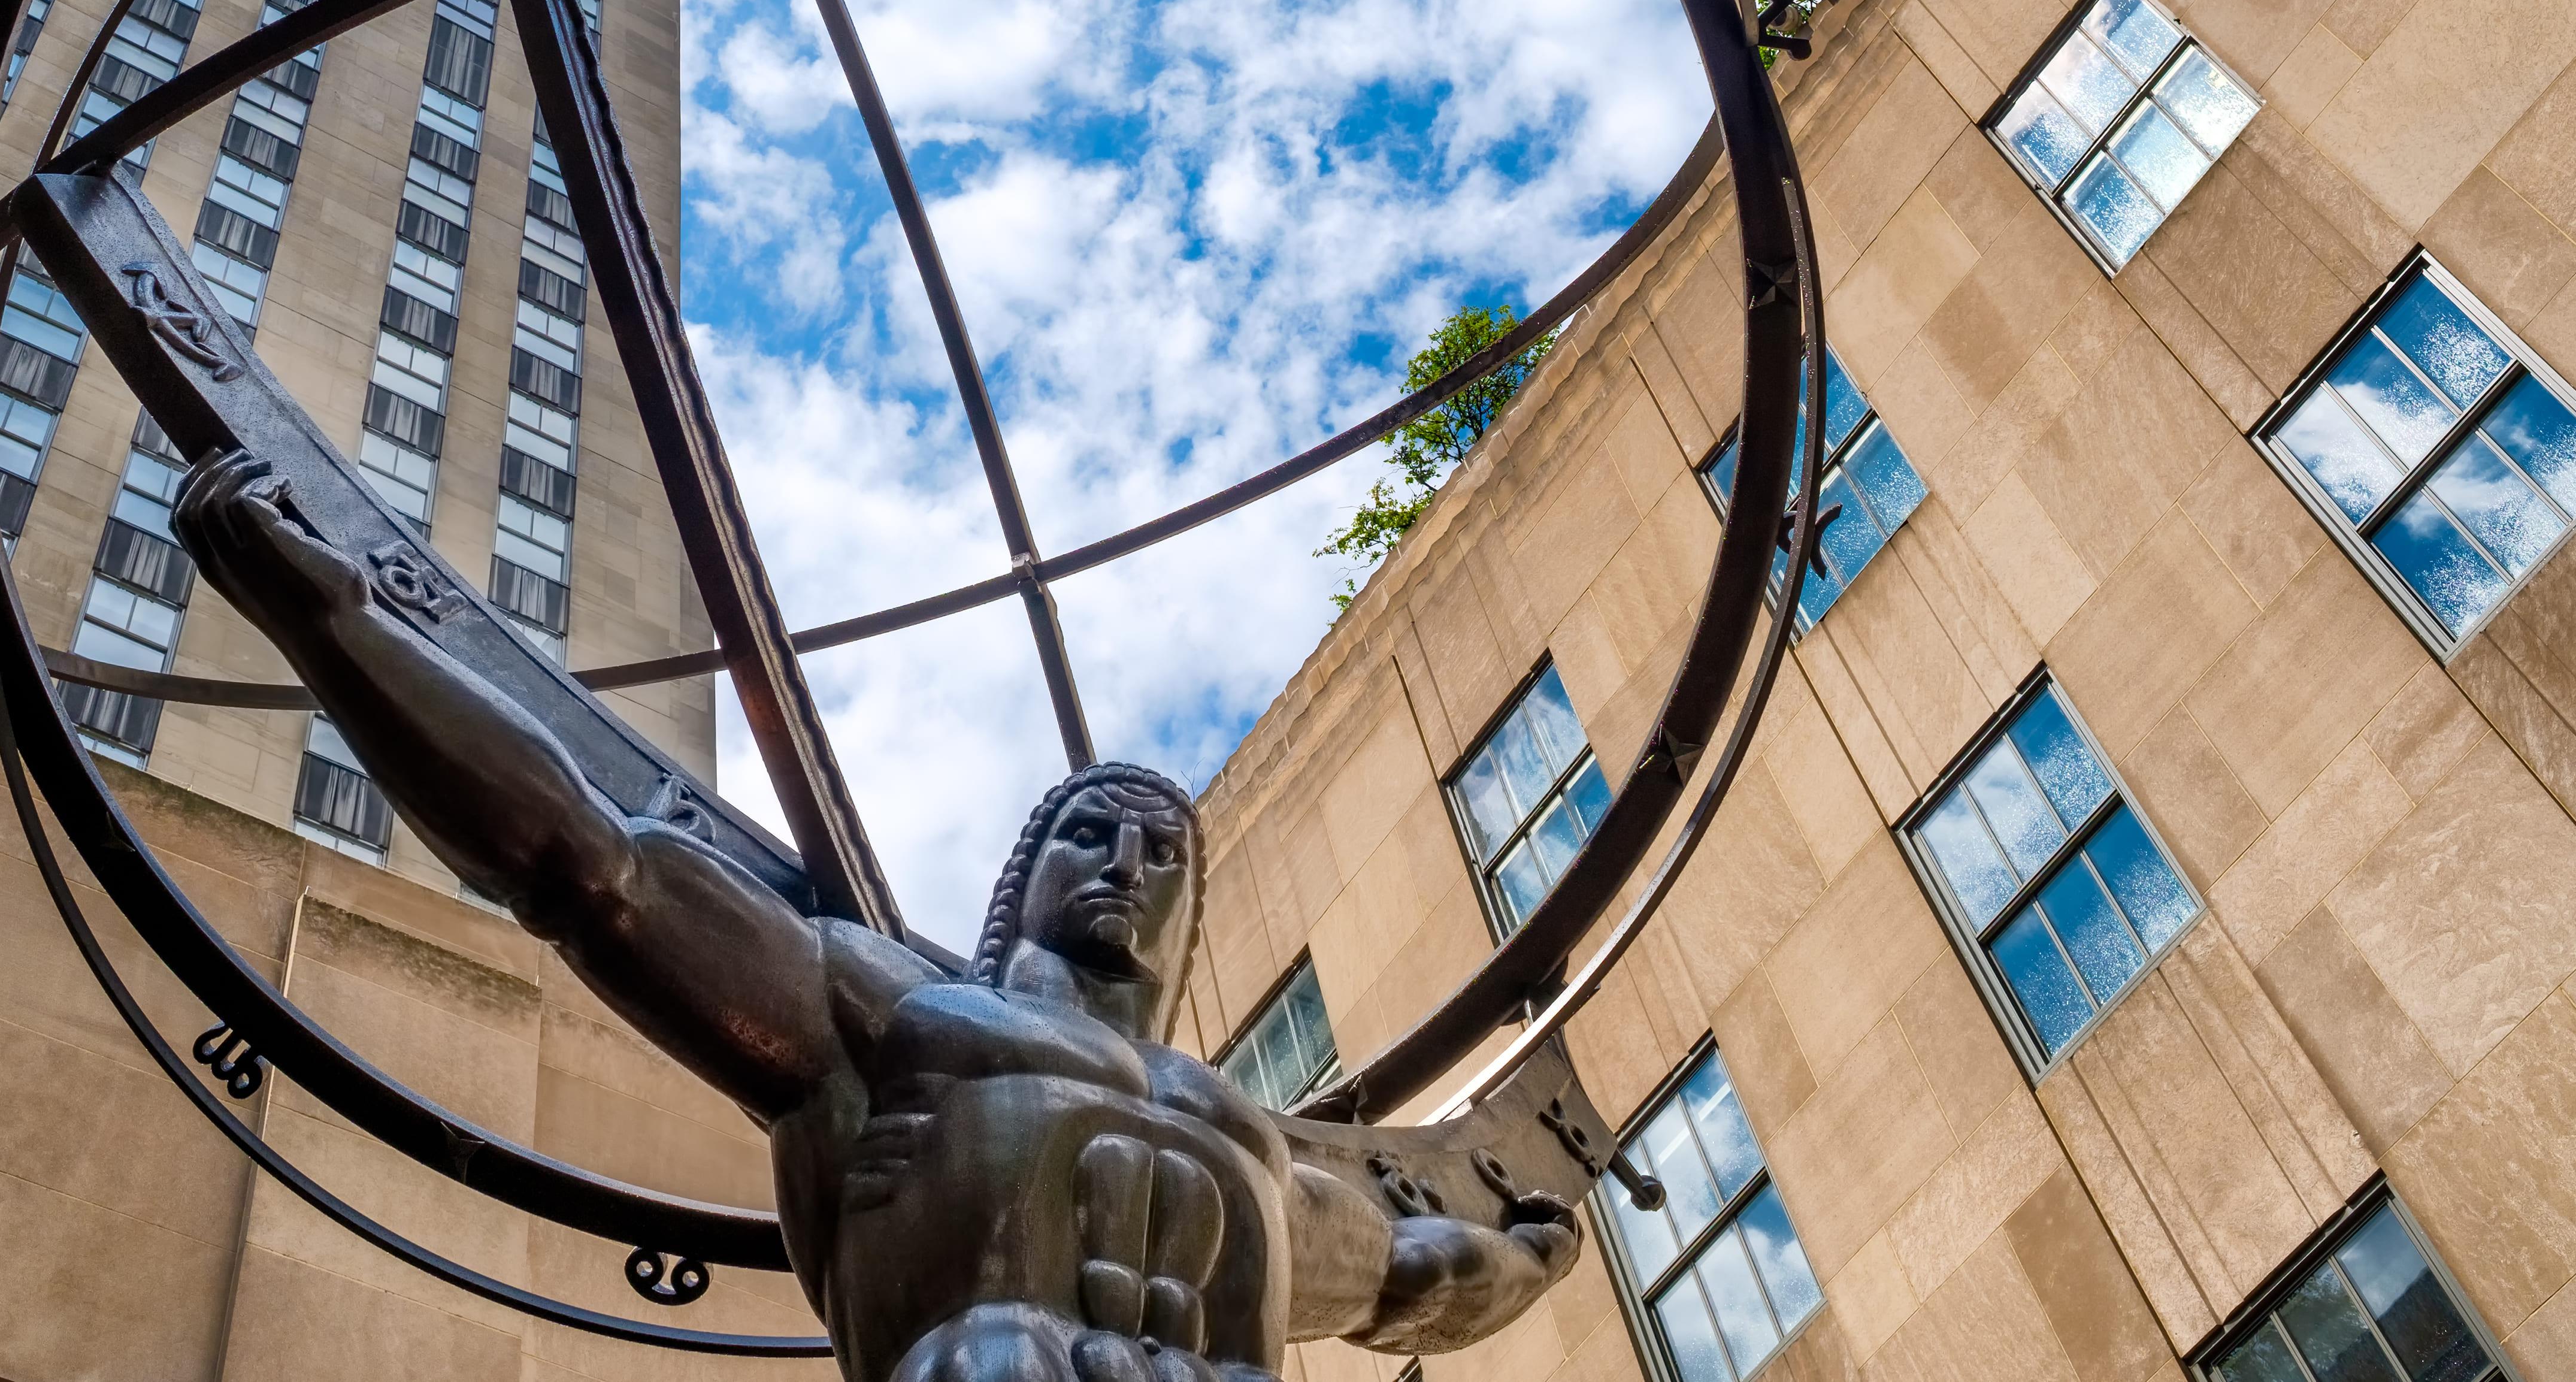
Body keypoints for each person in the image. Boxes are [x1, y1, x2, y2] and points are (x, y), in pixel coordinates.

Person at [175, 452, 1582, 1382]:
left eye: (1163, 853)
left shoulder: (1252, 1138)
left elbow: (1410, 1275)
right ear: (1018, 875)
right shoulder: (893, 1014)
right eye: (1088, 833)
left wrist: (1534, 1243)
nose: (1127, 866)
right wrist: (335, 625)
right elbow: (589, 867)